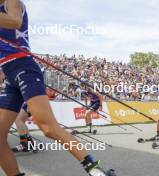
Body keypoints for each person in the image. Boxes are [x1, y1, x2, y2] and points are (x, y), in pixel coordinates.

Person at [0, 0, 114, 175]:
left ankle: (95, 169)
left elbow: (15, 21)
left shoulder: (12, 2)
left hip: (24, 67)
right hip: (8, 74)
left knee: (49, 128)